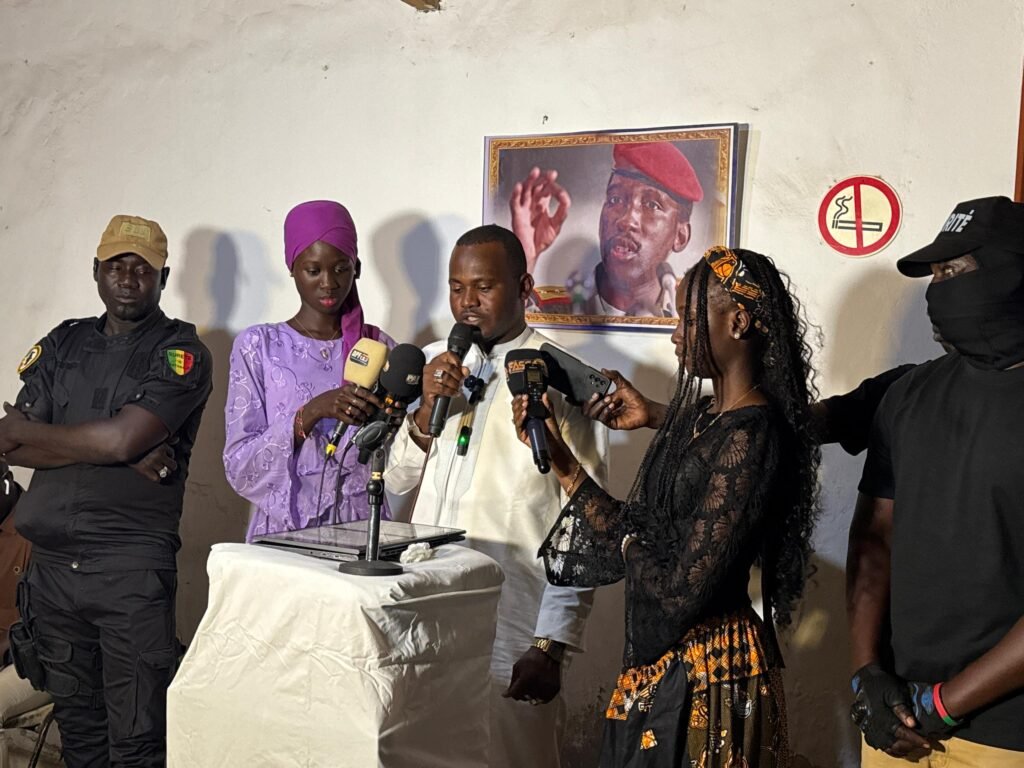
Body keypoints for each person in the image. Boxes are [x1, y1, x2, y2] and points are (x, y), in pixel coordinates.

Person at [524, 246, 821, 766]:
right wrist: (568, 458)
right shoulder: (706, 419)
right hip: (666, 674)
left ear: (738, 322)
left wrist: (612, 519)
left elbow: (680, 591)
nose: (675, 335)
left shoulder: (753, 436)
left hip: (709, 681)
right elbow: (634, 530)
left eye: (687, 319)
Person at [384, 224, 607, 768]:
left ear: (524, 287)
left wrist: (552, 642)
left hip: (515, 616)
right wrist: (423, 413)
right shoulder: (435, 362)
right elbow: (397, 481)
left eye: (483, 287)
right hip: (428, 604)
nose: (467, 302)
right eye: (457, 288)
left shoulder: (559, 377)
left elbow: (584, 522)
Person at [0, 214, 212, 767]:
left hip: (128, 571)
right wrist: (118, 449)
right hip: (51, 571)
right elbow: (10, 443)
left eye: (143, 268)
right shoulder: (63, 342)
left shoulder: (179, 350)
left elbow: (118, 438)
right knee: (79, 732)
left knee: (137, 741)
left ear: (164, 278)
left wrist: (114, 443)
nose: (128, 277)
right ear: (95, 271)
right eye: (116, 265)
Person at [847, 196, 1024, 766]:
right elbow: (874, 537)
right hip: (896, 721)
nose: (936, 291)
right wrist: (865, 672)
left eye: (953, 271)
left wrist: (944, 704)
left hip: (1005, 737)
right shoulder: (908, 395)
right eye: (935, 275)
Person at [223, 200, 395, 540]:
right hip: (285, 532)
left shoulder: (378, 347)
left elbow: (397, 457)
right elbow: (240, 465)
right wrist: (312, 411)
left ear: (357, 268)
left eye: (341, 269)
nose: (328, 283)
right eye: (313, 270)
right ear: (292, 268)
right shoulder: (259, 347)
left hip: (361, 529)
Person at [511, 141, 702, 318]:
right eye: (615, 199)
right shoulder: (553, 312)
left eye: (652, 205)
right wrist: (525, 257)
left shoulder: (691, 319)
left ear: (680, 237)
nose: (626, 220)